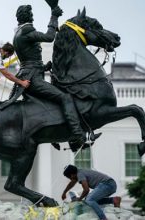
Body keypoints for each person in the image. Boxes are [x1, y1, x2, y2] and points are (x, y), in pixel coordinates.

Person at [12, 3, 89, 149]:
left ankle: (56, 136)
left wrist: (43, 67)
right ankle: (78, 135)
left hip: (30, 73)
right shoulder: (26, 31)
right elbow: (49, 37)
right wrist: (54, 17)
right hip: (33, 79)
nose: (33, 16)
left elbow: (28, 60)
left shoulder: (18, 33)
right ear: (27, 16)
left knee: (53, 102)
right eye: (31, 14)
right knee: (65, 97)